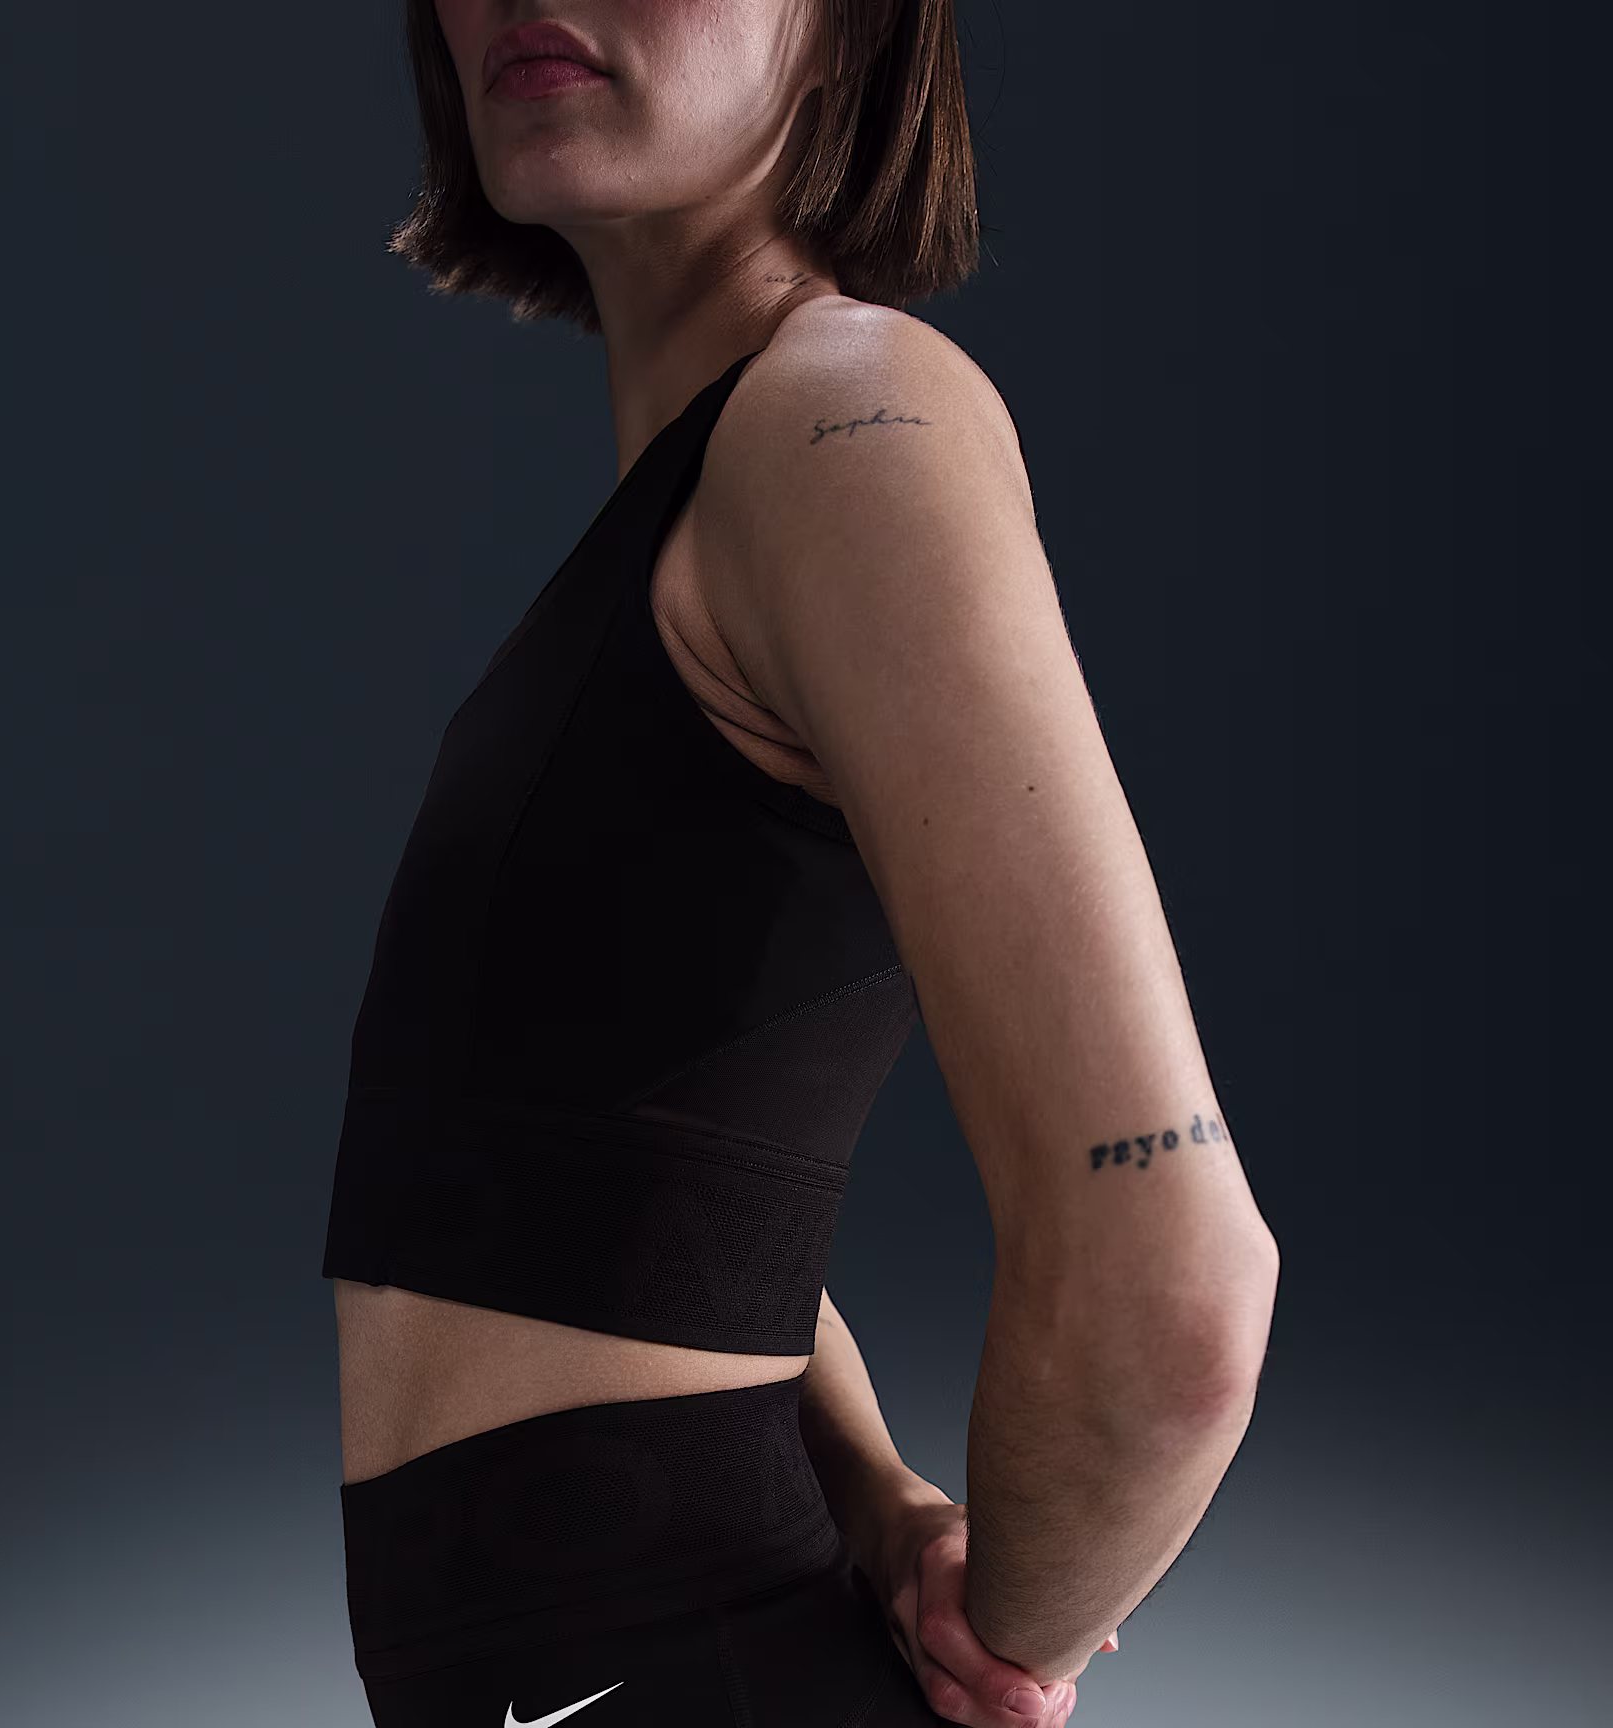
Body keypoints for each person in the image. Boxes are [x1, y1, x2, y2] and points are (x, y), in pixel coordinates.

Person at [320, 4, 1282, 1725]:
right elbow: (642, 1192)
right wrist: (885, 1497)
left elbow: (1175, 1294)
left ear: (849, 31)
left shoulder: (853, 417)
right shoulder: (712, 484)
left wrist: (1009, 1640)